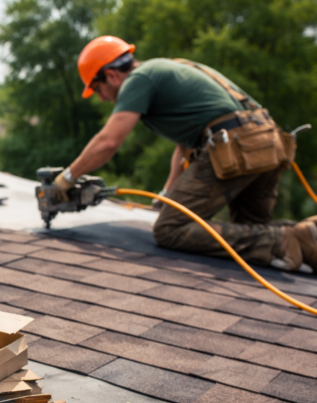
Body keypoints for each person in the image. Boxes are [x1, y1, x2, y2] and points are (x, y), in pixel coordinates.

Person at [54, 36, 316, 272]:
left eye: (97, 89)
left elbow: (108, 142)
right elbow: (184, 145)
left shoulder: (139, 79)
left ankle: (285, 241)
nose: (101, 98)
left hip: (235, 147)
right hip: (266, 144)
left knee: (170, 230)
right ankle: (308, 235)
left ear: (111, 75)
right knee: (249, 232)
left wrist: (67, 177)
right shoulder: (170, 68)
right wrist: (169, 193)